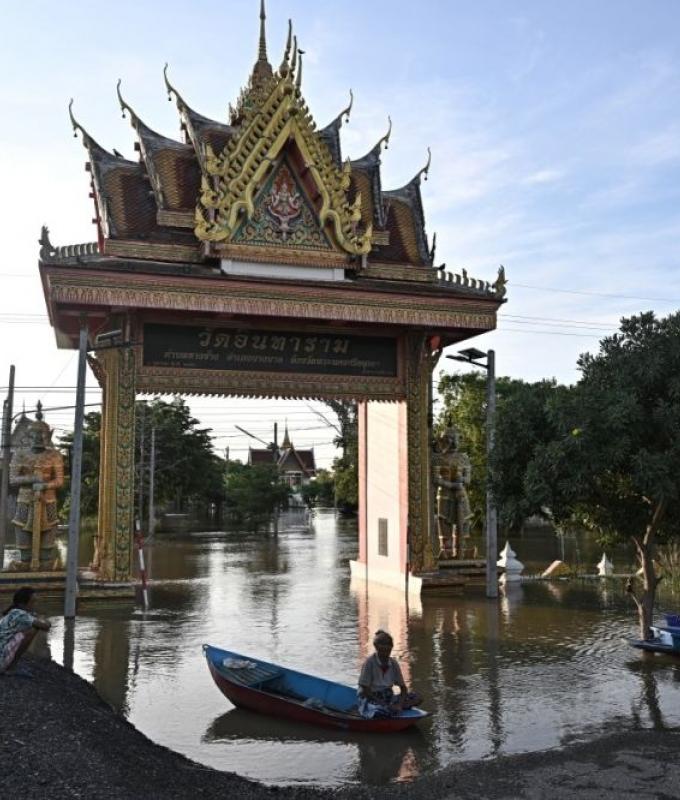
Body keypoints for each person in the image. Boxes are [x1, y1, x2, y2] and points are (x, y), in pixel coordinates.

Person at [357, 630, 422, 718]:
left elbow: (403, 688)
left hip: (387, 696)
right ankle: (387, 710)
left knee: (417, 697)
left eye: (388, 650)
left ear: (391, 648)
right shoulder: (370, 662)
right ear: (377, 649)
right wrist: (384, 704)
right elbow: (365, 690)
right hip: (371, 697)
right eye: (382, 651)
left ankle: (394, 709)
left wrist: (399, 704)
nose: (385, 654)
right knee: (378, 712)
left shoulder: (393, 663)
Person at [0, 587, 51, 677]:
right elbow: (46, 626)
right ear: (23, 603)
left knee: (23, 631)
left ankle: (10, 665)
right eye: (33, 602)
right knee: (33, 629)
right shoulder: (20, 614)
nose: (35, 605)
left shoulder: (14, 612)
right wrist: (43, 620)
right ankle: (11, 668)